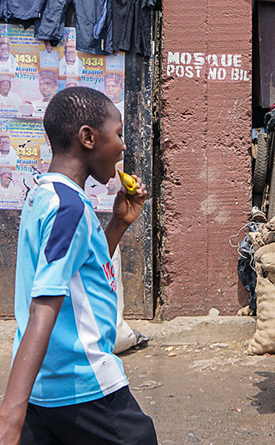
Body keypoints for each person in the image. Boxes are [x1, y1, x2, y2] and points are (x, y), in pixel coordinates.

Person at [0, 87, 157, 444]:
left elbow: (79, 273)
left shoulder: (45, 195)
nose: (123, 146)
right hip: (81, 381)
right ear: (88, 137)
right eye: (118, 134)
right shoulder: (69, 207)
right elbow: (44, 305)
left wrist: (117, 224)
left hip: (45, 382)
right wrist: (10, 414)